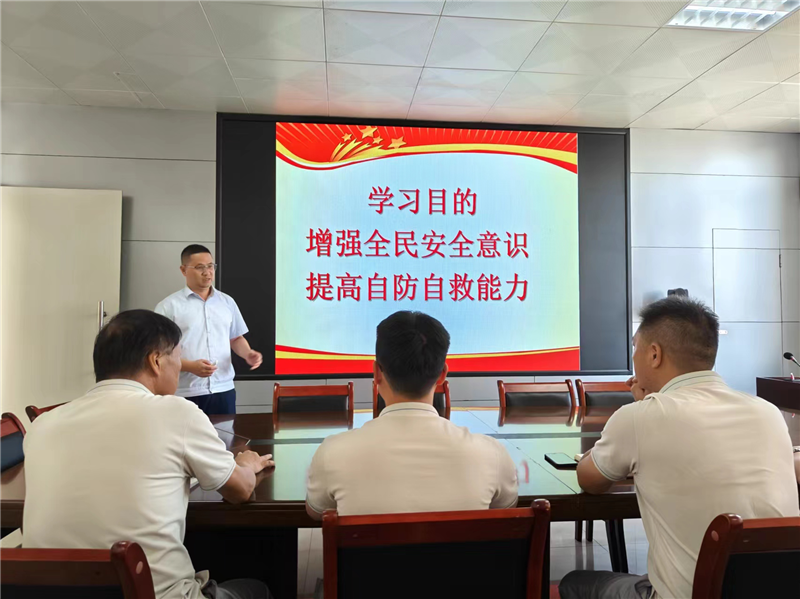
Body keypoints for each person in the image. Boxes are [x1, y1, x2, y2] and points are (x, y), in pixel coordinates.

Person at [23, 310, 275, 599]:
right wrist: (246, 464)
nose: (179, 366)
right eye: (178, 357)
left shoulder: (43, 425)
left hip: (49, 594)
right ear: (155, 361)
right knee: (259, 589)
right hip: (155, 594)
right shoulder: (176, 412)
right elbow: (240, 491)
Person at [560, 297, 799, 599]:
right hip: (779, 589)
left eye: (635, 349)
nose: (633, 358)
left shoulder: (640, 418)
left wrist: (640, 414)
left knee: (573, 582)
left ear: (654, 354)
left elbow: (590, 480)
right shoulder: (767, 412)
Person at [306, 310, 518, 518]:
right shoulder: (492, 454)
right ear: (442, 375)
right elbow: (507, 508)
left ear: (376, 373)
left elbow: (316, 511)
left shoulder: (332, 452)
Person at [156, 244, 261, 415]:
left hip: (223, 389)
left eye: (211, 266)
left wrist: (248, 353)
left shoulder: (227, 302)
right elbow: (159, 353)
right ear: (183, 270)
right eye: (200, 267)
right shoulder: (168, 307)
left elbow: (235, 338)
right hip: (185, 392)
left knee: (225, 433)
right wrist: (190, 366)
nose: (207, 272)